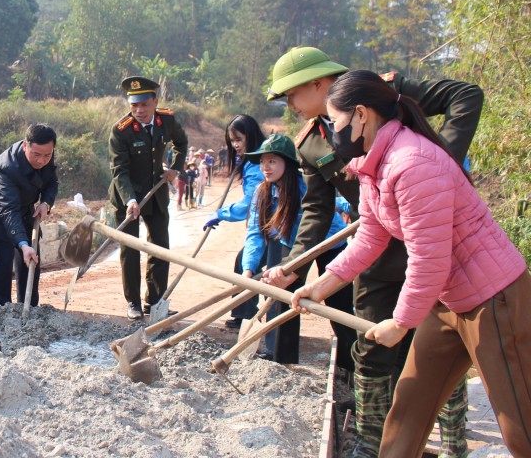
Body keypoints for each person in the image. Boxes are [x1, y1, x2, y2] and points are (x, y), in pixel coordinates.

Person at [289, 70, 530, 457]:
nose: (332, 132)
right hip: (448, 300)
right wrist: (322, 285)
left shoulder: (414, 162)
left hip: (493, 298)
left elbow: (428, 258)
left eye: (335, 122)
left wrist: (400, 323)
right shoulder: (373, 163)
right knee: (409, 410)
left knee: (519, 423)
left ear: (362, 115)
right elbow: (369, 237)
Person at [263, 47, 482, 458]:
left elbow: (465, 96)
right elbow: (315, 210)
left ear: (317, 82)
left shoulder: (386, 92)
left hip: (432, 237)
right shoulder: (310, 144)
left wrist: (439, 167)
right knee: (371, 346)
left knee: (438, 345)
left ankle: (454, 443)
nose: (288, 105)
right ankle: (370, 442)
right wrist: (294, 266)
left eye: (290, 94)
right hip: (377, 252)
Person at [241, 134, 355, 369]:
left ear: (288, 163)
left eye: (272, 161)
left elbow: (318, 221)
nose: (266, 167)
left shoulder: (306, 186)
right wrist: (248, 268)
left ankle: (350, 363)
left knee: (338, 303)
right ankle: (282, 359)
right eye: (263, 161)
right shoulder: (261, 192)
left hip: (328, 243)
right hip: (292, 246)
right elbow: (254, 231)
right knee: (281, 294)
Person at [108, 76, 188, 320]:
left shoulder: (167, 120)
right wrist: (130, 200)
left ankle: (155, 301)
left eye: (144, 104)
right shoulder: (120, 131)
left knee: (160, 248)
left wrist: (175, 168)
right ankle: (132, 302)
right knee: (130, 250)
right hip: (127, 197)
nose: (139, 111)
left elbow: (181, 143)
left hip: (156, 193)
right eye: (134, 105)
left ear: (154, 101)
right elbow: (119, 170)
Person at [0, 123, 58, 306]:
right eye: (36, 155)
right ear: (25, 145)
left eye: (47, 155)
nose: (41, 160)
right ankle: (2, 308)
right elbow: (8, 211)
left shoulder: (46, 154)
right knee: (4, 256)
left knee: (32, 257)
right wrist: (22, 244)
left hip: (25, 207)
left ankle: (29, 306)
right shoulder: (8, 168)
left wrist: (46, 203)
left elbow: (51, 182)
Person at [203, 114, 266, 329]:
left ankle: (250, 317)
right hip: (269, 225)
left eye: (239, 139)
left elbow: (250, 203)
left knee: (253, 264)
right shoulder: (251, 162)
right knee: (244, 261)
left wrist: (221, 214)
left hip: (280, 228)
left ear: (251, 137)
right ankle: (244, 313)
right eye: (232, 141)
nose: (235, 145)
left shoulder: (259, 164)